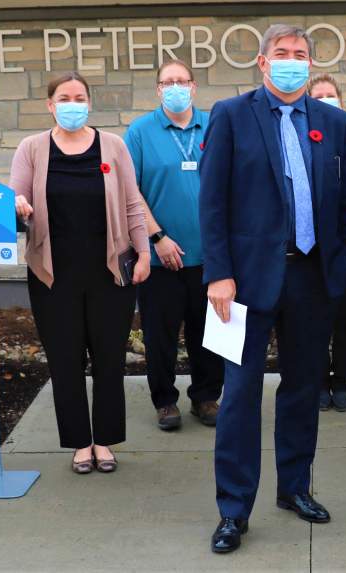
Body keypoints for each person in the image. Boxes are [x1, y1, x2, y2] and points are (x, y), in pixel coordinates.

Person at [199, 25, 346, 554]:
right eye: (282, 54)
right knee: (240, 397)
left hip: (312, 279)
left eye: (301, 55)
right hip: (244, 281)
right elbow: (213, 201)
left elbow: (345, 203)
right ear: (263, 63)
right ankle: (233, 509)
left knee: (301, 391)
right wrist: (218, 273)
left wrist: (338, 265)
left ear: (311, 65)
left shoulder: (335, 123)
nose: (293, 62)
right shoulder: (231, 115)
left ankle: (294, 489)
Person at [10, 72, 151, 475]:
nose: (73, 103)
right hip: (53, 275)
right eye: (64, 97)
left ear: (89, 102)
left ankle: (104, 441)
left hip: (110, 273)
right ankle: (79, 443)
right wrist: (19, 203)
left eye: (80, 96)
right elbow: (16, 195)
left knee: (109, 360)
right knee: (65, 361)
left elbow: (132, 204)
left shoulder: (113, 146)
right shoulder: (32, 149)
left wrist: (143, 252)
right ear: (50, 105)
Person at [124, 60, 226, 431]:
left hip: (211, 254)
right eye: (168, 82)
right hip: (159, 257)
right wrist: (157, 238)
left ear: (194, 87)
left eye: (182, 81)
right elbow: (130, 191)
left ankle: (206, 397)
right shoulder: (139, 132)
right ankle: (165, 401)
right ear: (158, 90)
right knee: (160, 334)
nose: (176, 87)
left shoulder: (215, 126)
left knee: (208, 333)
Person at [308, 73, 346, 412]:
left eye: (331, 95)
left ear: (342, 103)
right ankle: (317, 382)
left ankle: (343, 381)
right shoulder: (301, 136)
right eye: (319, 95)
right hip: (311, 250)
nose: (326, 100)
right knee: (314, 319)